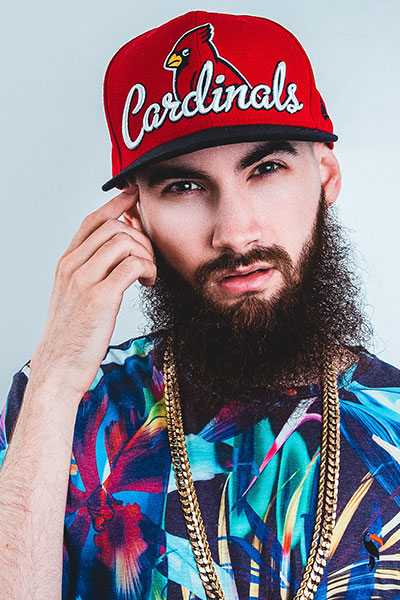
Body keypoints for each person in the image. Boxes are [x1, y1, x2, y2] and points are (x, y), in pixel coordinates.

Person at [0, 9, 399, 600]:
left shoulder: (392, 422)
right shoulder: (70, 407)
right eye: (184, 187)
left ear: (325, 176)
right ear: (135, 215)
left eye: (266, 169)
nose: (235, 234)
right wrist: (56, 378)